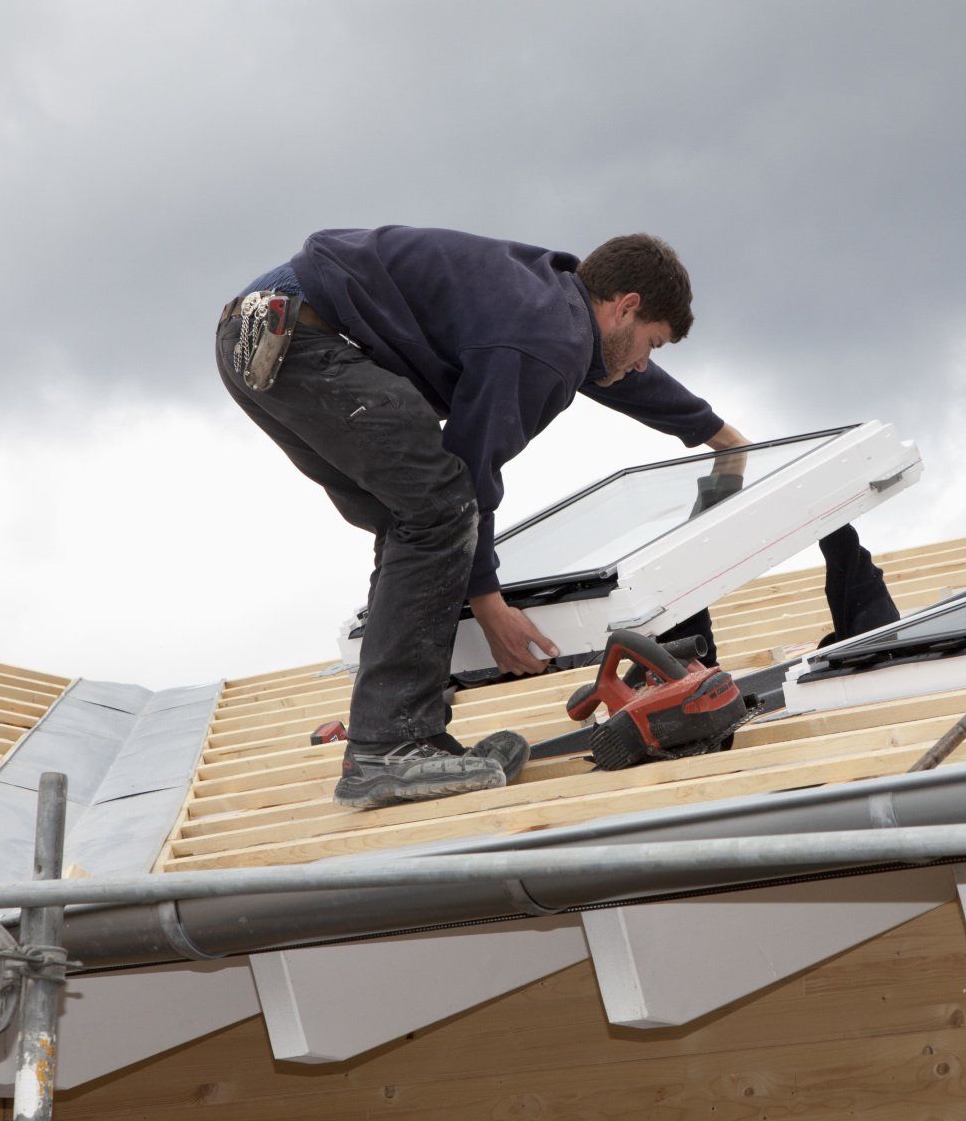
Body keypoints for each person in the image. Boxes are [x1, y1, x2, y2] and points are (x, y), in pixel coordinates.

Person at [215, 226, 749, 810]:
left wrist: (711, 431)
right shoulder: (546, 336)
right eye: (654, 342)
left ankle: (403, 736)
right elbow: (472, 471)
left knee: (413, 517)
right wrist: (489, 605)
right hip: (307, 342)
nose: (646, 363)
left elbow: (610, 374)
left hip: (263, 334)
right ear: (626, 308)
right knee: (441, 509)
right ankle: (388, 748)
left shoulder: (552, 304)